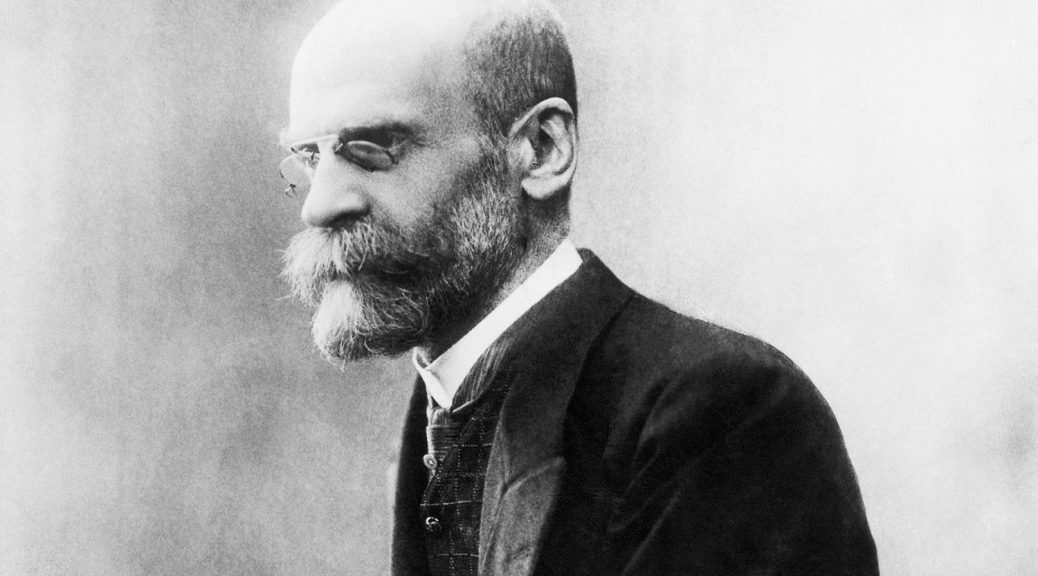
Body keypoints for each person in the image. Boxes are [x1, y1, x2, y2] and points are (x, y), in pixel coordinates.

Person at [277, 1, 879, 574]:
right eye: (310, 157)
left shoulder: (727, 412)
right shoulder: (432, 417)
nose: (318, 206)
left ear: (542, 150)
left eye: (374, 148)